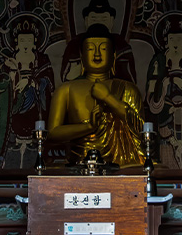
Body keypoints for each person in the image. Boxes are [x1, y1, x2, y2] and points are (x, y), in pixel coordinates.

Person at [47, 24, 145, 166]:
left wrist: (108, 98)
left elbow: (142, 129)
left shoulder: (127, 89)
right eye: (90, 49)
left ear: (113, 55)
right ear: (82, 56)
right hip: (78, 165)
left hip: (120, 166)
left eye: (103, 49)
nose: (97, 54)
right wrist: (89, 127)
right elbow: (52, 133)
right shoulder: (66, 90)